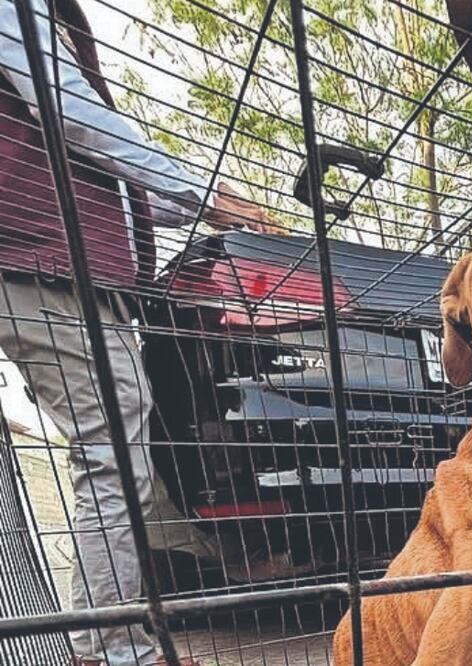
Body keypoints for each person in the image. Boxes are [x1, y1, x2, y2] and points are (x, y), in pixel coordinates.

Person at [0, 0, 274, 663]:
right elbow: (65, 106)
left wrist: (179, 207)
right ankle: (125, 651)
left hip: (73, 272)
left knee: (110, 455)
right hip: (48, 266)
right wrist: (201, 191)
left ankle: (96, 641)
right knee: (112, 457)